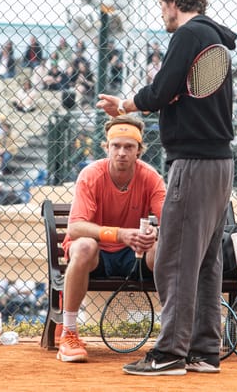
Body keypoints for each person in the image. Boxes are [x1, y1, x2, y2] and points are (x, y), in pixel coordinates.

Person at [97, 0, 236, 376]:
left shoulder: (189, 35)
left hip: (192, 162)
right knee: (206, 260)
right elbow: (170, 92)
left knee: (173, 259)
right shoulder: (215, 39)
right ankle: (204, 350)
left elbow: (160, 91)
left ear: (174, 1)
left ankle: (170, 352)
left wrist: (125, 103)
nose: (161, 13)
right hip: (220, 162)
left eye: (162, 5)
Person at [56, 115, 165, 363]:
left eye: (129, 147)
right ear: (106, 148)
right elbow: (75, 228)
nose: (122, 152)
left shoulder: (151, 177)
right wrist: (120, 234)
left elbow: (170, 219)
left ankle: (173, 332)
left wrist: (155, 234)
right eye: (116, 146)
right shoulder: (91, 174)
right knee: (84, 245)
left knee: (162, 248)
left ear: (139, 150)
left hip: (133, 254)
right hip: (96, 256)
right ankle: (69, 332)